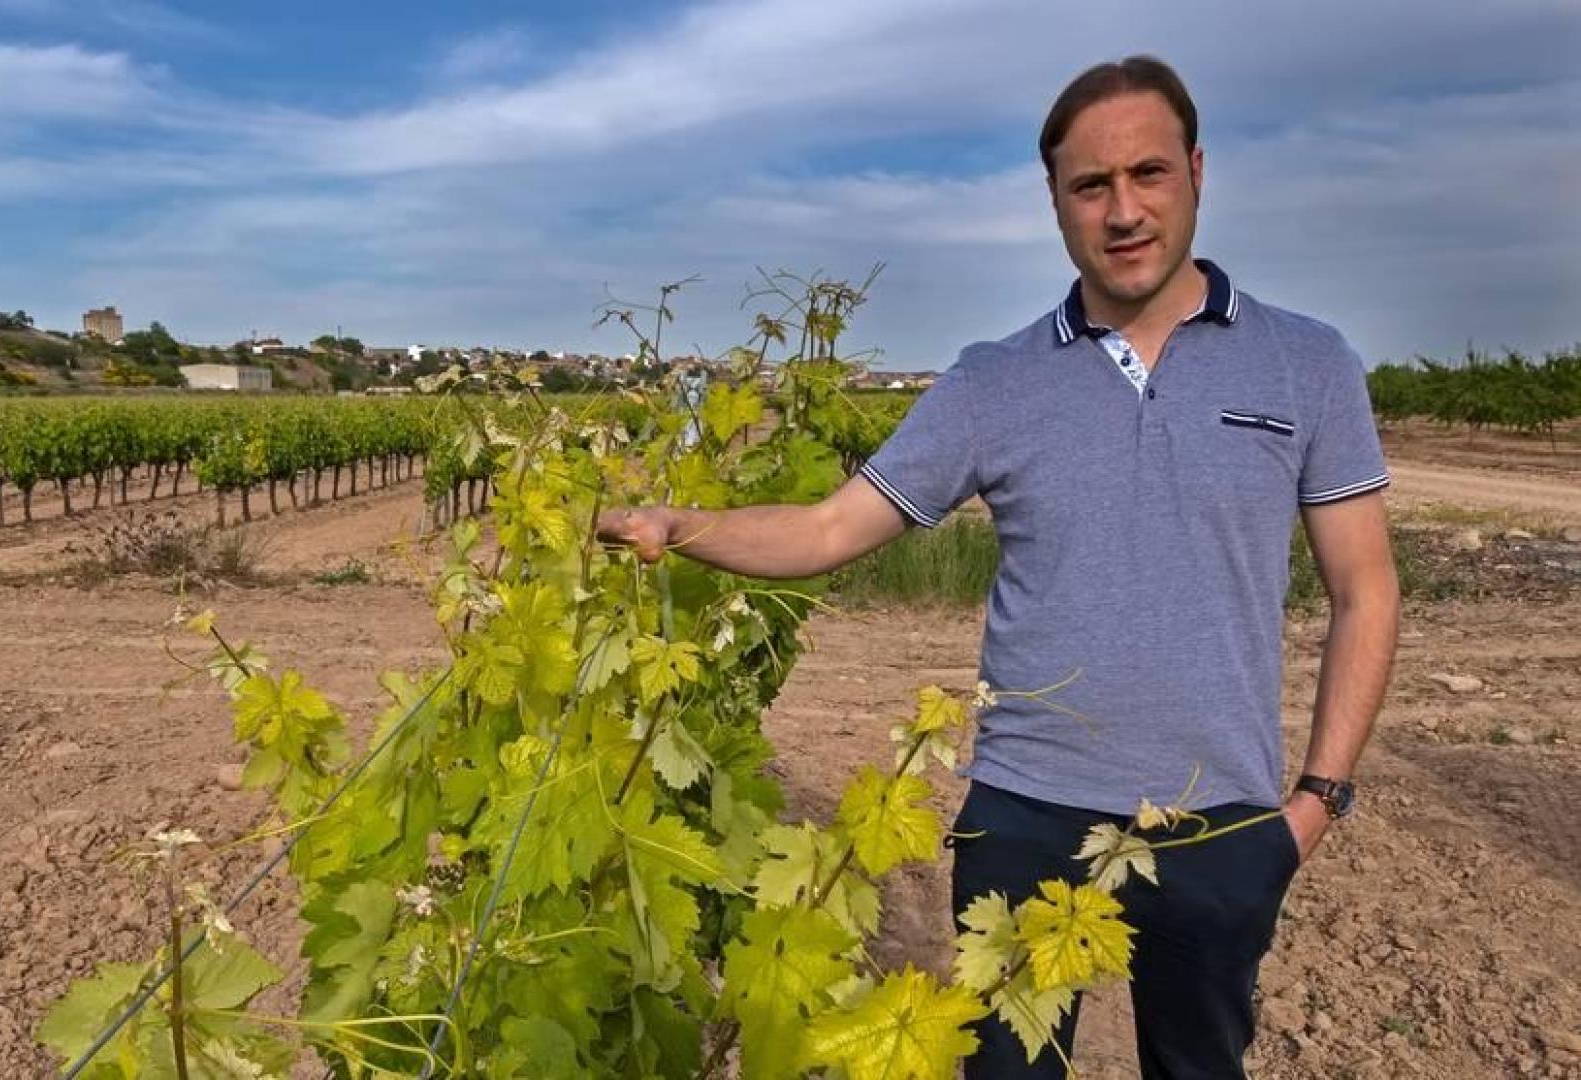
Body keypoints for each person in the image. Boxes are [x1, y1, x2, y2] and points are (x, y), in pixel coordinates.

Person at [597, 55, 1398, 1079]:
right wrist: (682, 524)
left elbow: (1365, 587)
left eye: (1148, 174)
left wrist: (1313, 805)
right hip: (1024, 813)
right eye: (1091, 186)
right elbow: (832, 529)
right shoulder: (995, 380)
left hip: (1219, 823)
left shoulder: (1306, 362)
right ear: (1056, 202)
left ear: (1197, 171)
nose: (1123, 211)